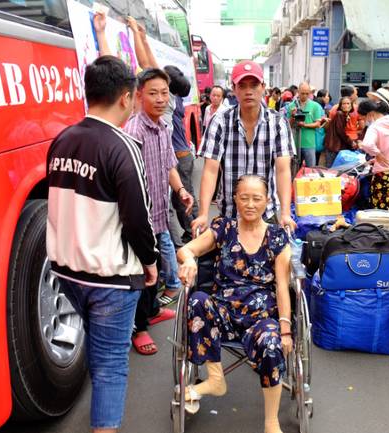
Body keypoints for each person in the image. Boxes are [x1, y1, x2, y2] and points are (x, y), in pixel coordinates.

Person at [46, 56, 159, 432]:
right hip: (110, 276)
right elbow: (138, 218)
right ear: (126, 97)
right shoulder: (122, 146)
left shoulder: (62, 139)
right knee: (111, 361)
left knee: (99, 348)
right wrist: (151, 261)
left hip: (67, 272)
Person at [177, 175, 292, 433]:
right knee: (197, 300)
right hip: (223, 315)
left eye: (257, 198)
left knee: (272, 343)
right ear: (235, 200)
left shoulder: (277, 237)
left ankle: (271, 422)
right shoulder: (224, 228)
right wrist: (189, 261)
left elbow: (283, 287)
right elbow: (187, 250)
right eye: (244, 198)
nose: (250, 204)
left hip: (261, 319)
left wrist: (285, 328)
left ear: (267, 201)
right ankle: (216, 379)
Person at [123, 68, 194, 347]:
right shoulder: (133, 130)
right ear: (139, 96)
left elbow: (169, 166)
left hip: (159, 214)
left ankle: (152, 312)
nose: (160, 99)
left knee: (155, 268)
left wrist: (181, 190)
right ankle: (139, 329)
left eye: (164, 93)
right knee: (142, 271)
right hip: (140, 216)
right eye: (153, 93)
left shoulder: (164, 127)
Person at [191, 60, 296, 234]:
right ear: (234, 89)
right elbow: (210, 170)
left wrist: (285, 212)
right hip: (230, 215)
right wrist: (203, 214)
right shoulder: (220, 121)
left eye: (254, 85)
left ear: (263, 87)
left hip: (266, 215)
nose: (249, 91)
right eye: (242, 85)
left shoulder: (278, 123)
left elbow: (283, 170)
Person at [356, 99, 389, 243]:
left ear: (371, 114)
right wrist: (380, 155)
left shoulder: (376, 126)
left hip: (384, 175)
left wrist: (377, 154)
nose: (364, 121)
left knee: (381, 211)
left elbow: (367, 144)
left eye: (363, 118)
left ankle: (383, 243)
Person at [163, 65, 199, 251]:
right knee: (183, 198)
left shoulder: (169, 100)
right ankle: (193, 231)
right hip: (184, 156)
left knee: (183, 199)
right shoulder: (176, 101)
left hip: (181, 157)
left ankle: (195, 232)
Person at [286, 82, 325, 168]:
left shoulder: (315, 106)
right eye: (302, 93)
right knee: (294, 168)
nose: (304, 95)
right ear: (298, 92)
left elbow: (318, 124)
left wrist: (305, 125)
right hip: (295, 142)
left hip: (309, 143)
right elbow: (288, 125)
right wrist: (292, 116)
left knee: (310, 169)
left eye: (307, 93)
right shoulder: (291, 106)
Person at [323, 97, 356, 167]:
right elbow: (340, 131)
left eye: (348, 103)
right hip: (333, 147)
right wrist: (351, 142)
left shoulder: (345, 116)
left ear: (351, 105)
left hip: (335, 147)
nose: (346, 105)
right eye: (344, 104)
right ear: (340, 106)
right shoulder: (340, 114)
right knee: (331, 170)